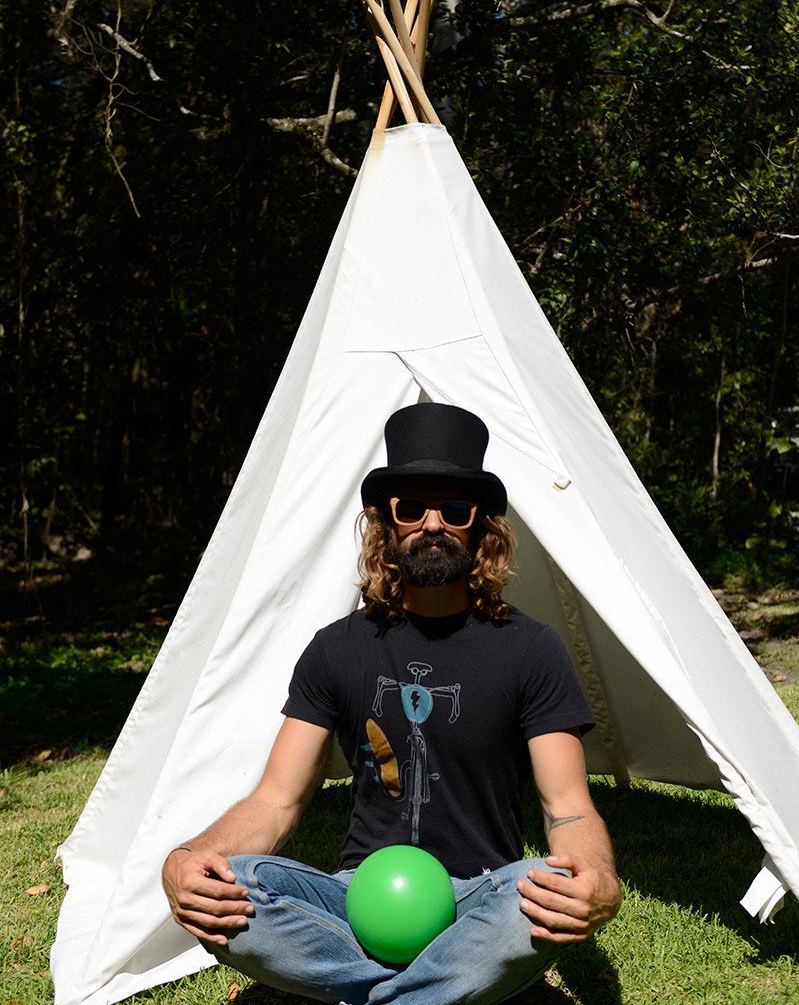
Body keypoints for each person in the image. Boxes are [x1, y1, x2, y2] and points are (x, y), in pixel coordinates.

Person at [161, 403, 621, 1005]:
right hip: (357, 899)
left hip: (478, 897)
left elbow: (568, 809)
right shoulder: (335, 650)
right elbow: (276, 799)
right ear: (386, 523)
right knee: (234, 884)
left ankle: (360, 990)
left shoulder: (532, 650)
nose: (433, 523)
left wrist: (599, 878)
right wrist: (190, 857)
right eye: (412, 507)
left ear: (481, 527)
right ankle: (440, 992)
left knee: (542, 890)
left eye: (455, 509)